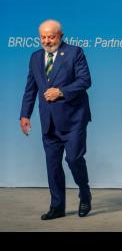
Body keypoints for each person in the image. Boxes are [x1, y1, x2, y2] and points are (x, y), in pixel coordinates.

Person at [19, 20, 92, 220]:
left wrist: (61, 92)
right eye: (43, 36)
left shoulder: (74, 52)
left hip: (74, 119)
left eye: (51, 36)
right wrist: (25, 114)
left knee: (74, 159)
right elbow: (30, 88)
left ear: (60, 35)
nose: (47, 40)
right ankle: (57, 206)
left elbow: (85, 80)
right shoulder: (35, 58)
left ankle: (84, 193)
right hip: (48, 120)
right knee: (52, 166)